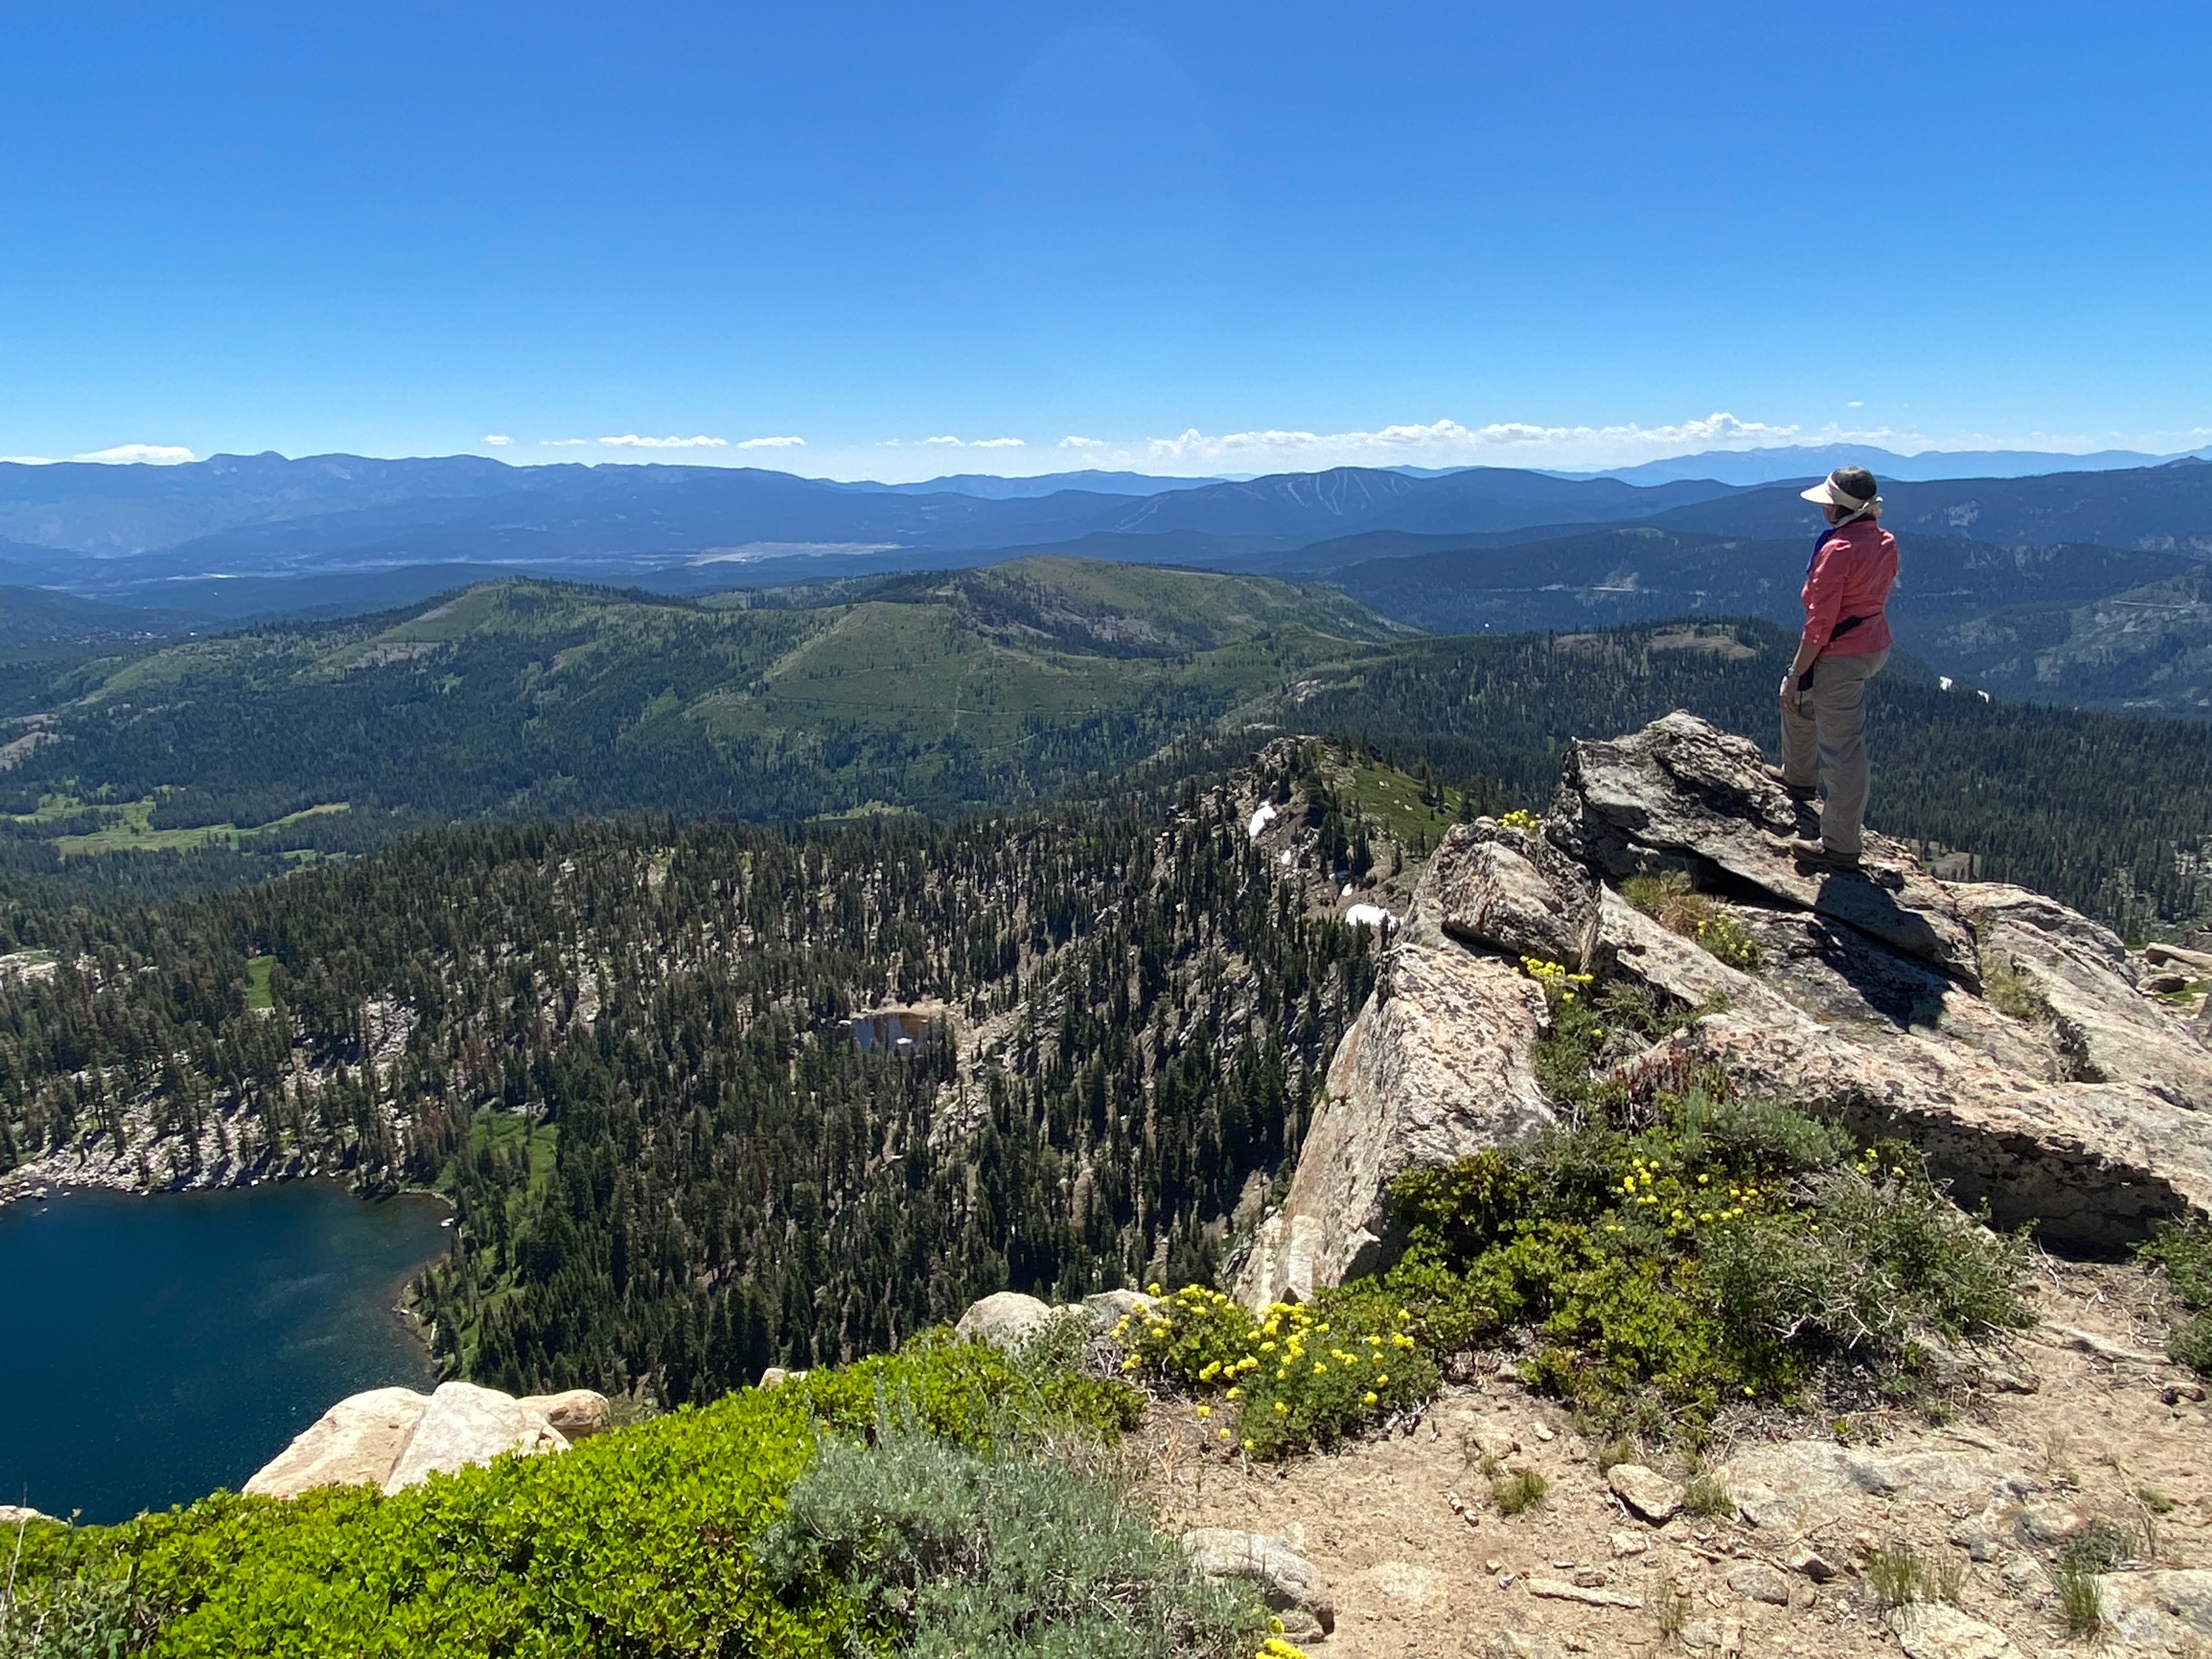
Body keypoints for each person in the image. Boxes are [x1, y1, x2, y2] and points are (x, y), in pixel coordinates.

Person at [1778, 465, 1898, 868]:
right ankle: (1798, 779)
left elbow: (1820, 624)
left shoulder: (1838, 550)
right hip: (1873, 642)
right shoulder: (1884, 541)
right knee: (1797, 700)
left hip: (1840, 653)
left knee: (1842, 749)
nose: (1823, 509)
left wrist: (1798, 672)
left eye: (1828, 504)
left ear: (1840, 509)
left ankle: (1840, 846)